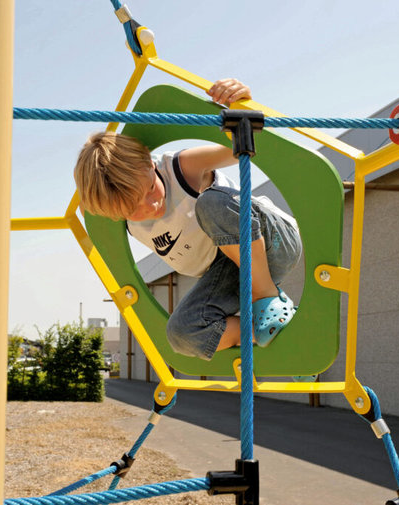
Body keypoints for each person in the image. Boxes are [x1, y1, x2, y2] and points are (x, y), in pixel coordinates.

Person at [74, 79, 302, 361]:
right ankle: (276, 332)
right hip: (229, 272)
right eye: (134, 208)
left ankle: (266, 298)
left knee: (211, 202)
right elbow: (88, 209)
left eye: (149, 189)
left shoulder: (182, 169)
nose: (152, 205)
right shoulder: (113, 211)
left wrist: (241, 109)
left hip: (270, 240)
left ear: (150, 162)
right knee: (182, 334)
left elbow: (253, 145)